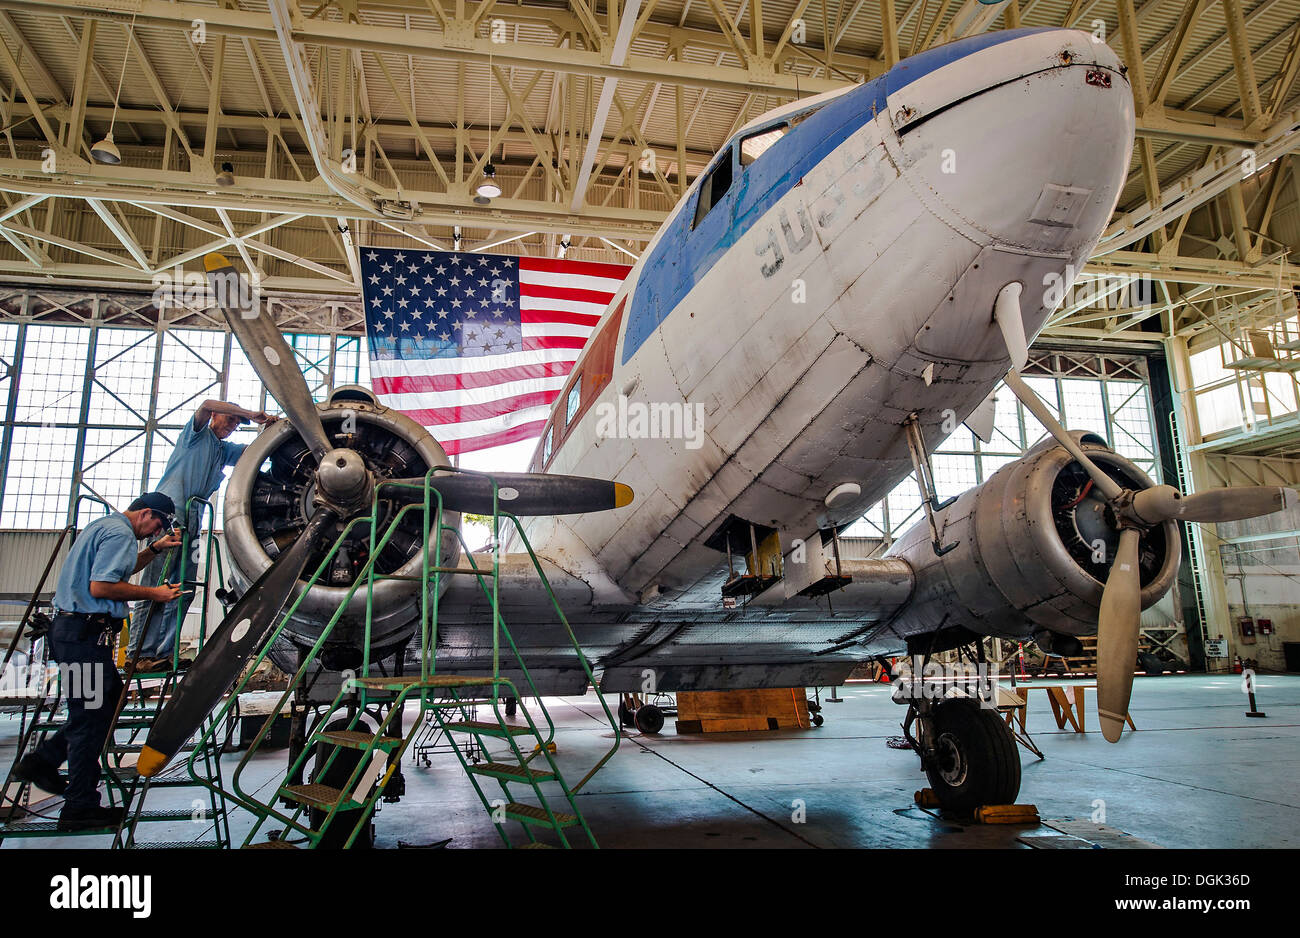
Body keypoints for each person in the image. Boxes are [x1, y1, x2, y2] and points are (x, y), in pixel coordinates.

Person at [13, 493, 182, 830]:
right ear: (146, 513)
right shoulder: (120, 533)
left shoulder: (104, 526)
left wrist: (155, 550)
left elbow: (119, 569)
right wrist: (156, 594)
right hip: (84, 637)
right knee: (89, 719)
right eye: (157, 526)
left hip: (76, 634)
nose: (154, 532)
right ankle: (78, 805)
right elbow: (103, 585)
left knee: (100, 709)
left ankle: (43, 762)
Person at [130, 400, 274, 672]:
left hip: (195, 519)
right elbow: (206, 404)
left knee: (182, 589)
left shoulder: (222, 450)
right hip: (171, 516)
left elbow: (255, 454)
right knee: (154, 586)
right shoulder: (195, 436)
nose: (232, 427)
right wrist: (249, 414)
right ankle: (140, 653)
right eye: (230, 420)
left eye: (236, 424)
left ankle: (164, 653)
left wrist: (273, 429)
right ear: (215, 416)